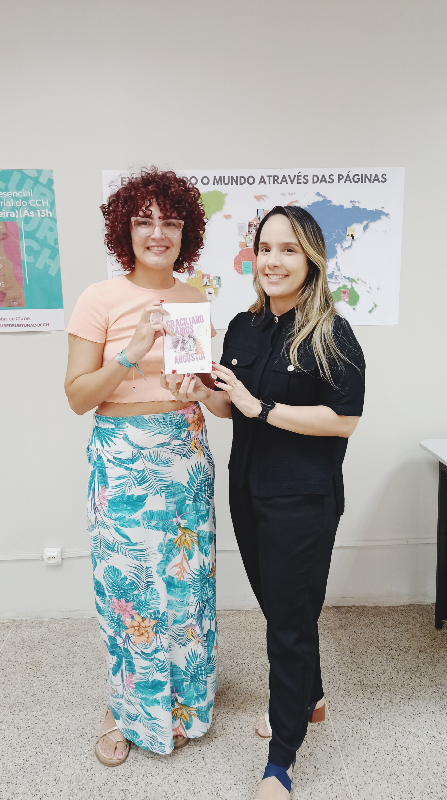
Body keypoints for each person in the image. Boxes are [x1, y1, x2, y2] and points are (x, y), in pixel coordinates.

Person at [162, 205, 365, 799]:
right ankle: (312, 698)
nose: (273, 261)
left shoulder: (330, 332)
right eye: (266, 249)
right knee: (285, 610)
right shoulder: (242, 327)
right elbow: (232, 405)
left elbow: (344, 419)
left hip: (301, 498)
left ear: (312, 260)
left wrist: (263, 408)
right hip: (248, 489)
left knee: (287, 626)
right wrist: (204, 393)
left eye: (289, 250)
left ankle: (281, 761)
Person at [64, 168, 217, 766]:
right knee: (129, 589)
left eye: (171, 221)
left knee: (185, 585)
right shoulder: (99, 299)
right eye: (144, 220)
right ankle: (126, 708)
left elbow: (199, 385)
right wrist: (130, 353)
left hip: (185, 452)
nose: (158, 232)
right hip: (123, 460)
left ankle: (182, 705)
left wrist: (195, 386)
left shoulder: (193, 298)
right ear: (123, 231)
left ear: (186, 233)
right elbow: (78, 396)